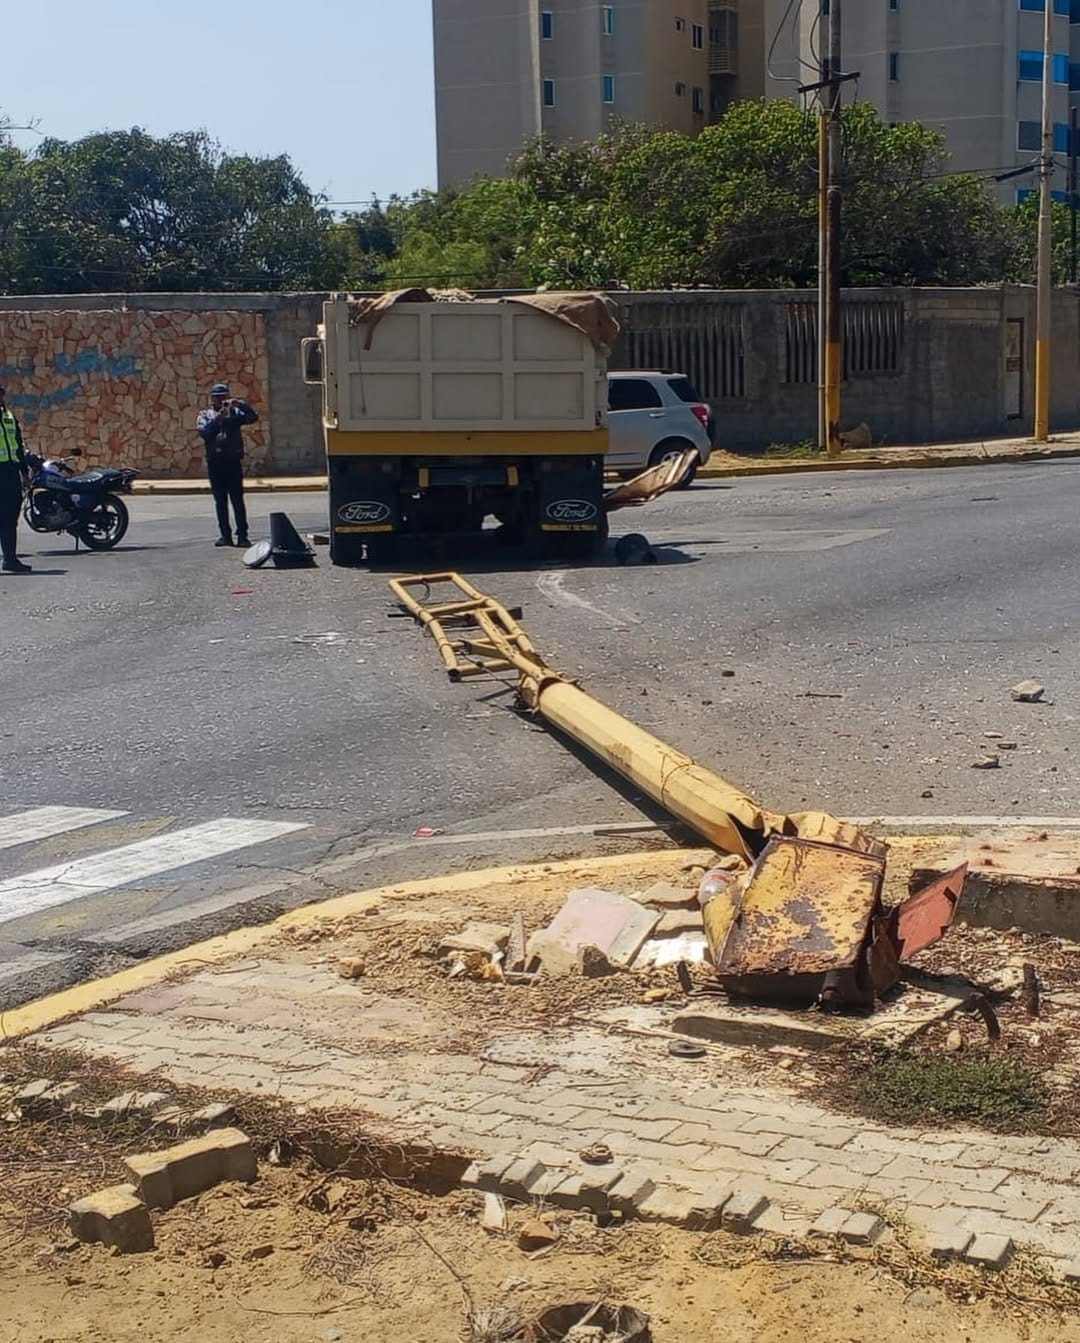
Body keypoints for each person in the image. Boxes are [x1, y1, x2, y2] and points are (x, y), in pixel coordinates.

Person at [196, 382, 258, 547]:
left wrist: (241, 405)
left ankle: (243, 536)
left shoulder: (235, 412)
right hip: (215, 463)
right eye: (218, 397)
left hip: (232, 461)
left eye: (224, 397)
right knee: (220, 501)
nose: (221, 400)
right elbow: (205, 433)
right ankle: (225, 535)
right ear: (212, 398)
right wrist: (218, 418)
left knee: (238, 500)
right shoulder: (205, 414)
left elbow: (253, 418)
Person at [0, 383, 31, 574]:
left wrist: (24, 473)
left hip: (10, 472)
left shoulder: (9, 417)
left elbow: (18, 446)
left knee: (10, 518)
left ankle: (10, 559)